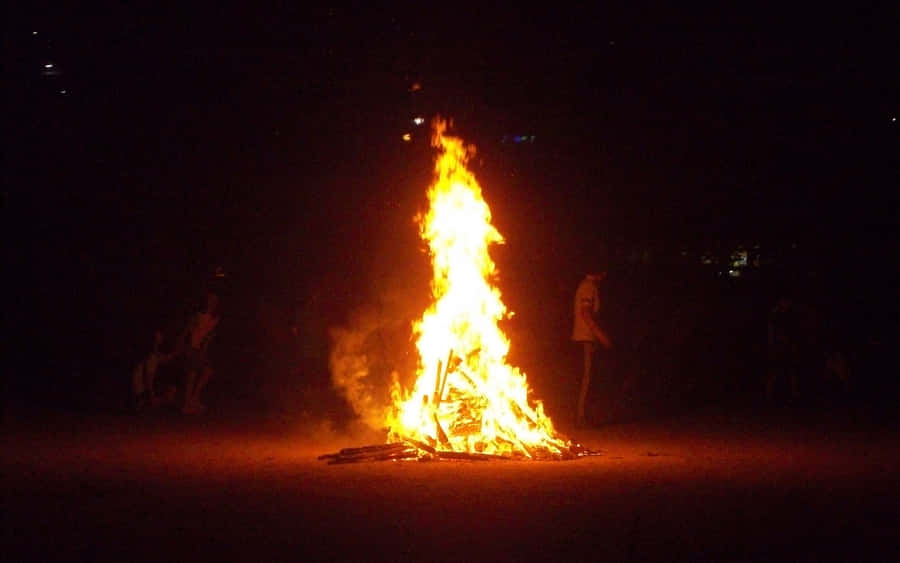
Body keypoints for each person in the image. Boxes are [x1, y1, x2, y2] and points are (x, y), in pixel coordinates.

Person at [572, 270, 613, 427]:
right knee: (587, 378)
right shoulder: (588, 287)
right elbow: (585, 313)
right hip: (585, 338)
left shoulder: (586, 286)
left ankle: (584, 416)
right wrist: (601, 336)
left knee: (588, 377)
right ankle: (581, 417)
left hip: (586, 337)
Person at [179, 290, 221, 414]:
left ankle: (194, 398)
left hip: (200, 348)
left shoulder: (215, 318)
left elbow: (209, 336)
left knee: (207, 371)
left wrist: (204, 350)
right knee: (192, 374)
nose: (211, 302)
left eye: (214, 300)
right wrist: (184, 345)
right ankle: (187, 404)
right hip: (192, 346)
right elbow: (188, 330)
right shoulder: (198, 314)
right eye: (210, 299)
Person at [130, 329, 175, 411]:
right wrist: (152, 396)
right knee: (169, 394)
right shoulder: (151, 357)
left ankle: (146, 402)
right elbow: (148, 378)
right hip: (140, 392)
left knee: (170, 388)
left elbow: (165, 358)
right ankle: (144, 403)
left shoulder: (151, 355)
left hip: (141, 390)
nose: (160, 339)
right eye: (157, 338)